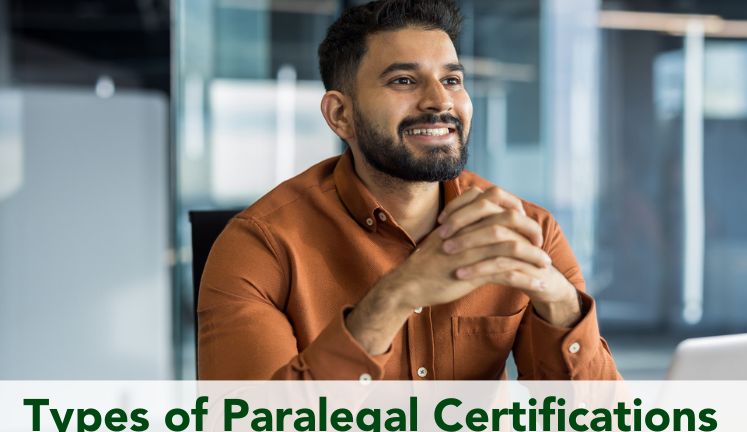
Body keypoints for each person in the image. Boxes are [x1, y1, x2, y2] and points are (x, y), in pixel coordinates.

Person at [198, 0, 620, 381]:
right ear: (340, 114)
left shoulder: (527, 231)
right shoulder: (260, 244)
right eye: (403, 80)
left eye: (452, 80)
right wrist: (396, 297)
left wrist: (559, 302)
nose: (440, 101)